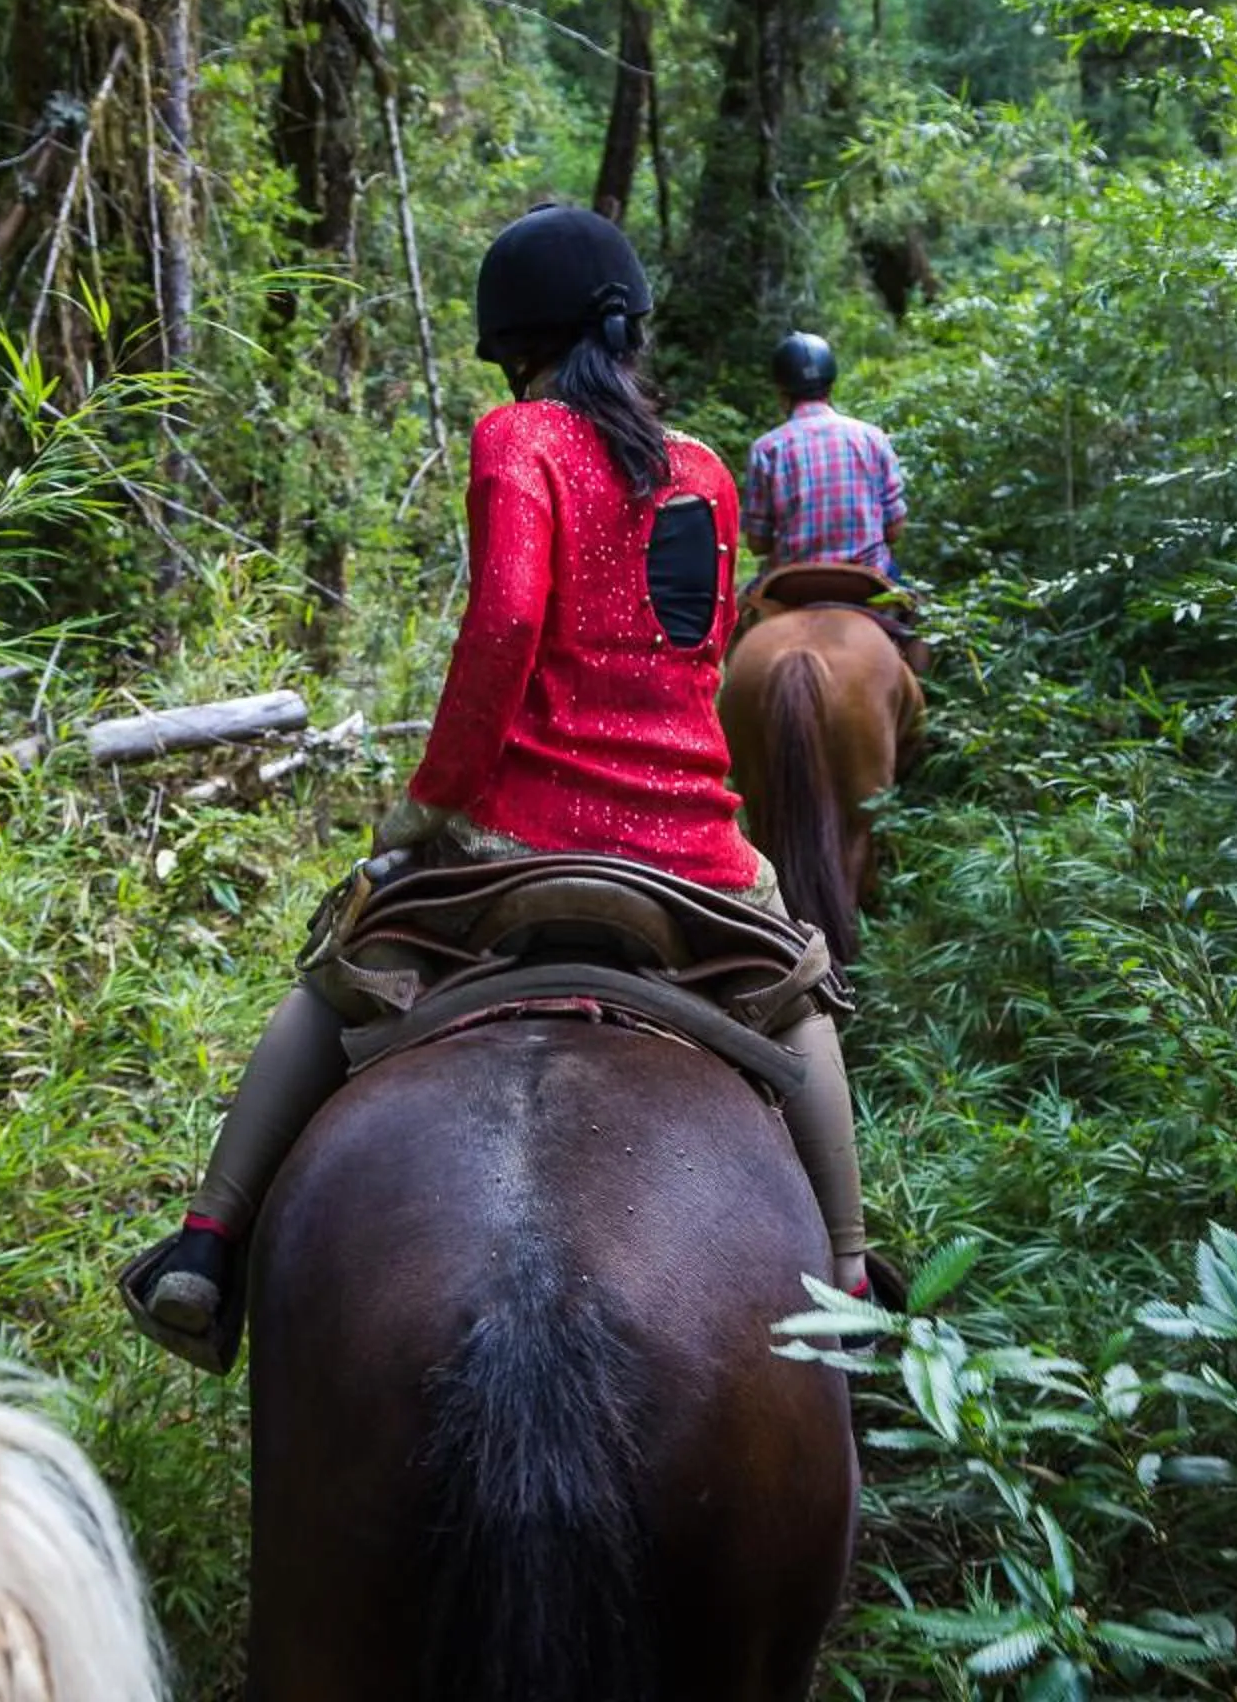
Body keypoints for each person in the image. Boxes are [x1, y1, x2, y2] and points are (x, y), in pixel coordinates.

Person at [126, 206, 870, 1361]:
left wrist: (427, 801)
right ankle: (856, 1275)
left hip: (520, 833)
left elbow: (510, 618)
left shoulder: (517, 436)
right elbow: (698, 651)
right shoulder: (707, 473)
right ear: (628, 335)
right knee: (800, 991)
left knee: (337, 977)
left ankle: (206, 1243)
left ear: (515, 341)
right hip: (690, 847)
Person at [742, 331, 908, 577]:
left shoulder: (767, 448)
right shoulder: (872, 438)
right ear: (830, 385)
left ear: (781, 392)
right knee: (911, 606)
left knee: (744, 608)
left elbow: (757, 543)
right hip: (868, 575)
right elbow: (894, 530)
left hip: (792, 581)